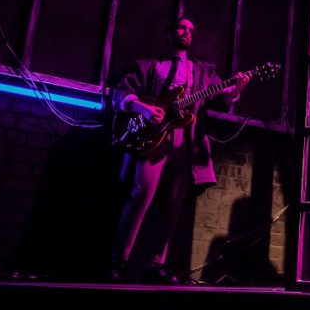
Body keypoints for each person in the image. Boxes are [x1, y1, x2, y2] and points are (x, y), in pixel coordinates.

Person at [107, 17, 250, 284]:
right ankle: (119, 261)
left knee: (173, 204)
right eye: (181, 28)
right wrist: (143, 108)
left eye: (189, 30)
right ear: (169, 33)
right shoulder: (150, 66)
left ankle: (155, 264)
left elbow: (224, 96)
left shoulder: (202, 72)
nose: (185, 32)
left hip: (186, 142)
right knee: (141, 196)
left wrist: (237, 89)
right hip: (153, 137)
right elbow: (121, 92)